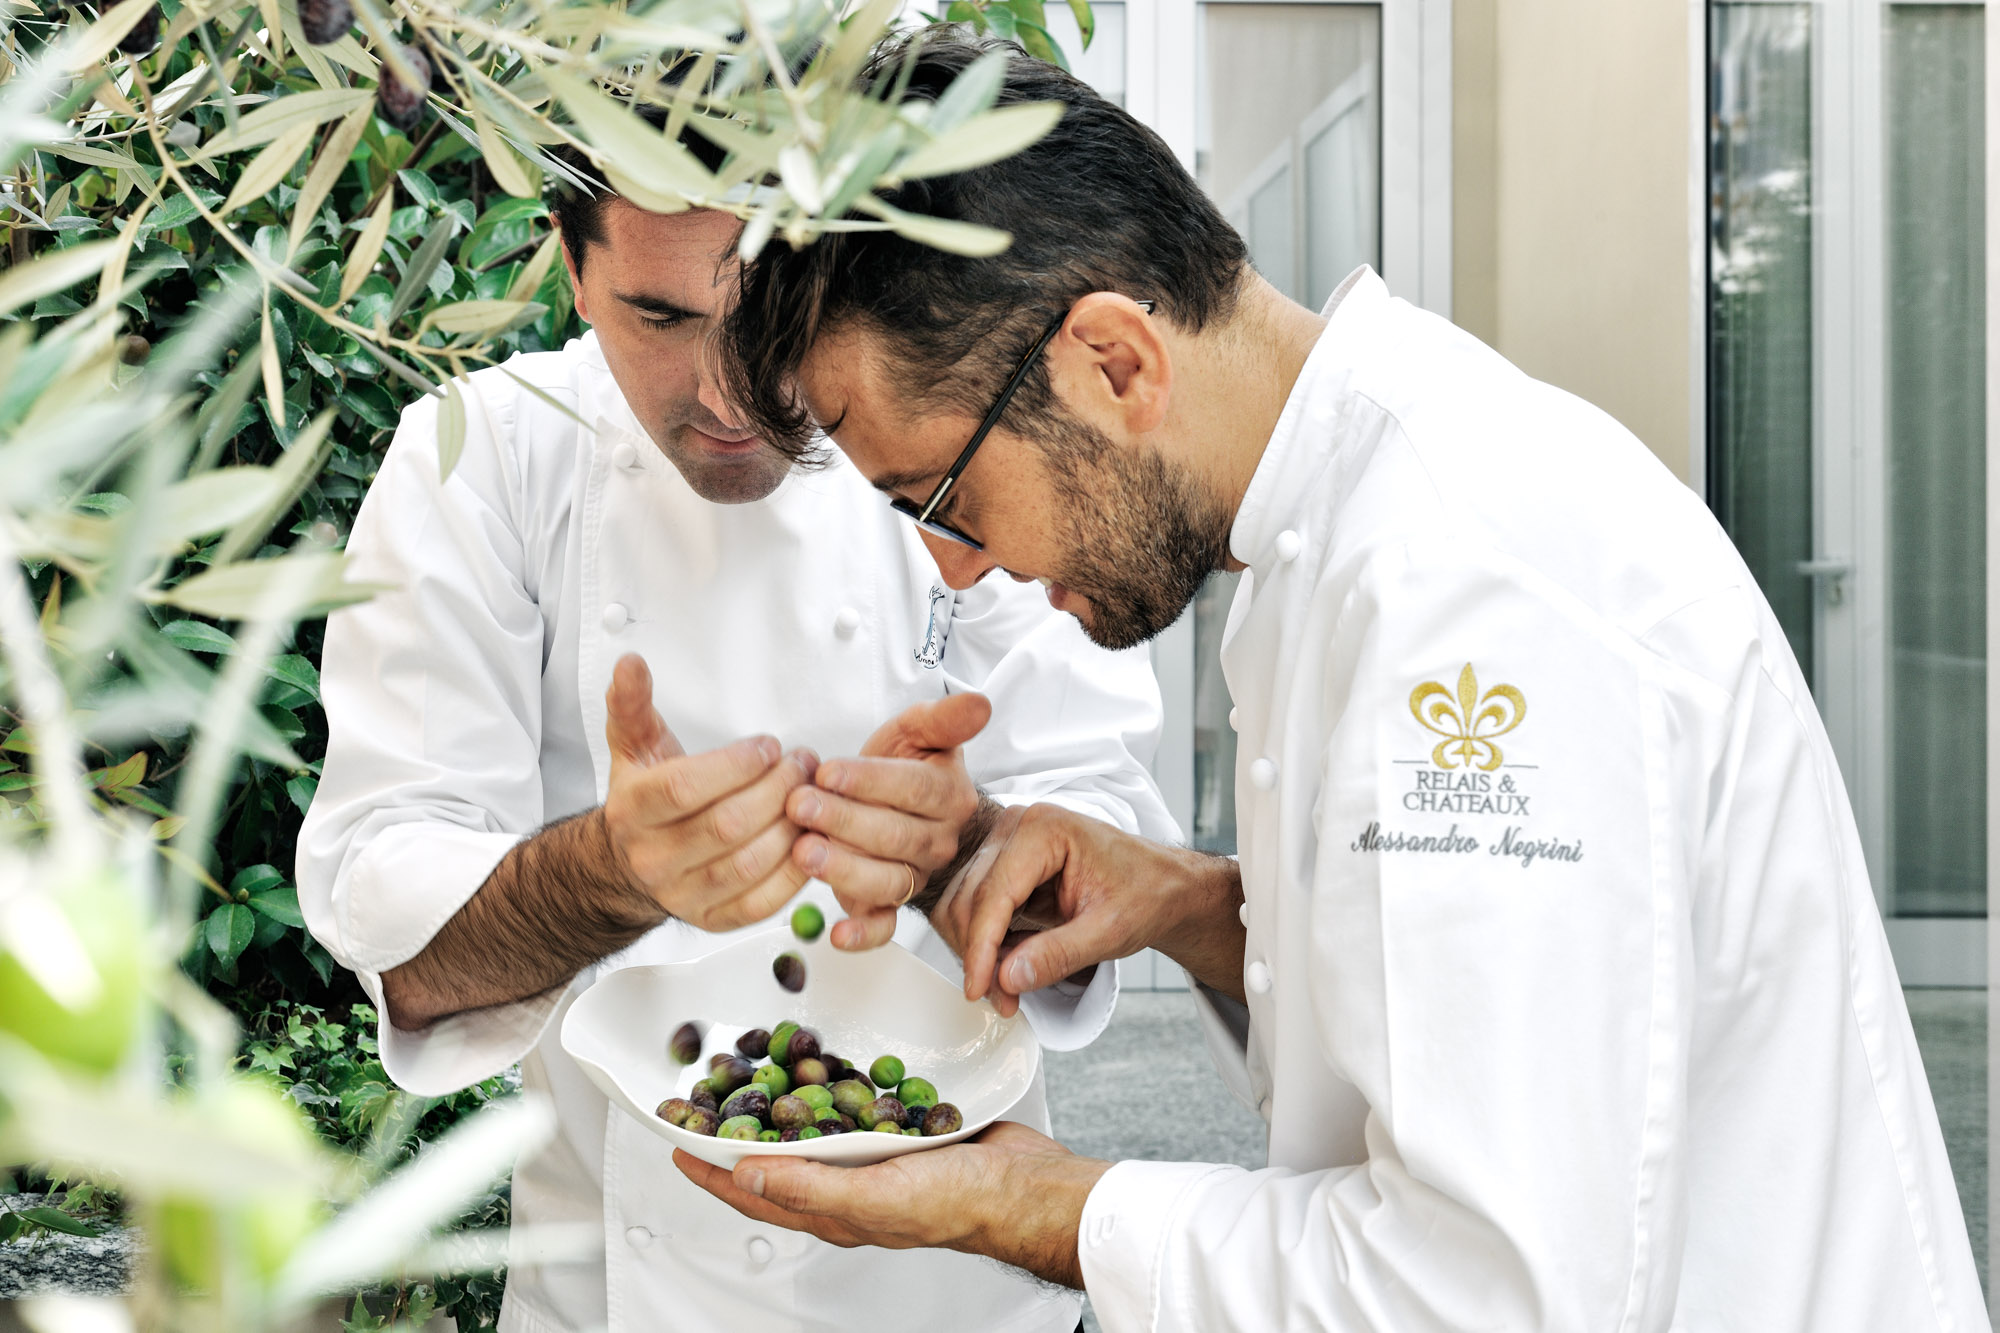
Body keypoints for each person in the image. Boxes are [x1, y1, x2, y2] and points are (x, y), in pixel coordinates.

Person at [676, 32, 1988, 1333]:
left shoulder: (1470, 591)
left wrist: (1032, 1206)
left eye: (941, 500)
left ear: (1114, 361)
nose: (957, 572)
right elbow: (1435, 1020)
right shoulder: (1335, 523)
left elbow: (1488, 1297)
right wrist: (1188, 905)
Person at [294, 117, 1177, 1333]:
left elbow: (1108, 883)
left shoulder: (968, 430)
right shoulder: (483, 459)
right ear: (570, 266)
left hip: (945, 1292)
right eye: (659, 318)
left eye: (769, 311)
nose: (727, 392)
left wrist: (961, 852)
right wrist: (609, 874)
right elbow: (407, 953)